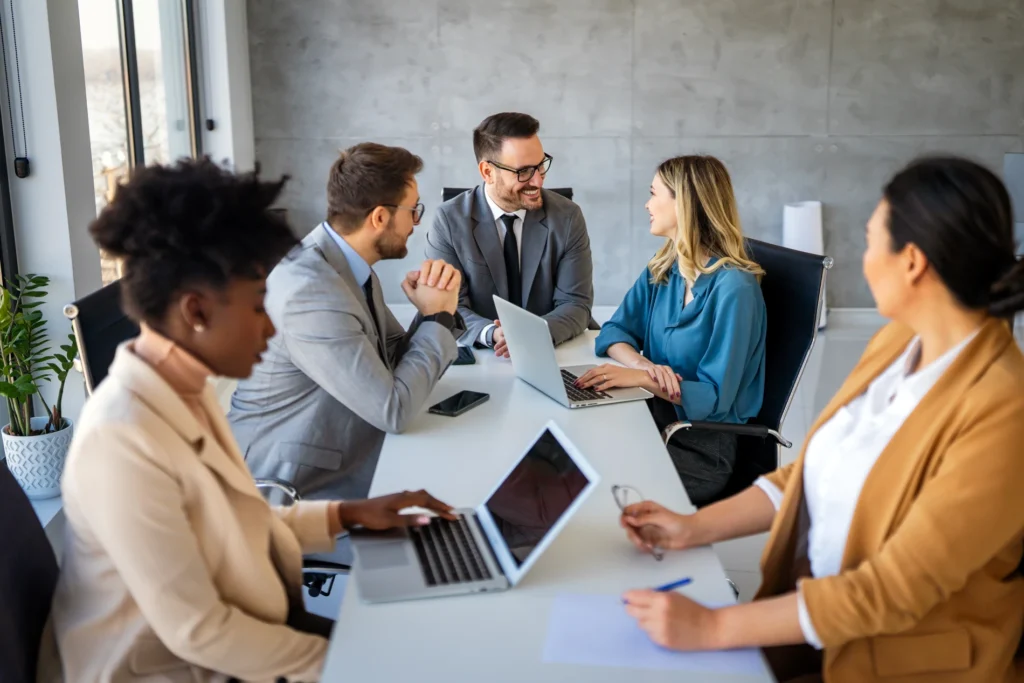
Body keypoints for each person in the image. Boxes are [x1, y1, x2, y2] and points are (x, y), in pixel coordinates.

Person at [46, 159, 457, 683]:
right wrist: (348, 667)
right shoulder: (120, 439)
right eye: (260, 307)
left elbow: (229, 522)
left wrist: (349, 515)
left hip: (243, 627)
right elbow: (200, 632)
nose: (271, 330)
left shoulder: (181, 388)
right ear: (197, 312)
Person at [617, 156, 1024, 683]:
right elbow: (813, 472)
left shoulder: (1003, 410)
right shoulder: (899, 341)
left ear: (912, 262)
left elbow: (891, 592)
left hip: (902, 659)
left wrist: (714, 627)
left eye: (870, 240)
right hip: (818, 620)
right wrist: (691, 528)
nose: (863, 259)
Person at [229, 143, 465, 501]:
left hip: (343, 448)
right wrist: (438, 316)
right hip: (291, 485)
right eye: (413, 211)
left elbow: (391, 361)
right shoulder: (312, 292)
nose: (416, 223)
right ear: (380, 218)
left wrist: (432, 312)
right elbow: (394, 411)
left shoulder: (346, 264)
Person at [578, 155, 766, 506]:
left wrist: (642, 379)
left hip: (700, 448)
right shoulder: (665, 268)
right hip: (650, 418)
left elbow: (714, 400)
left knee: (589, 476)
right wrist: (644, 367)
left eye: (654, 194)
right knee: (571, 446)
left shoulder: (735, 290)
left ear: (685, 203)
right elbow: (614, 331)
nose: (647, 204)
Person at [425, 112, 595, 357]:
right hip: (484, 355)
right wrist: (491, 333)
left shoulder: (567, 217)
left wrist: (532, 334)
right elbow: (447, 307)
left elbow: (576, 304)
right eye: (524, 171)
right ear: (487, 172)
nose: (538, 181)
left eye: (541, 165)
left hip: (554, 350)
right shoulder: (448, 221)